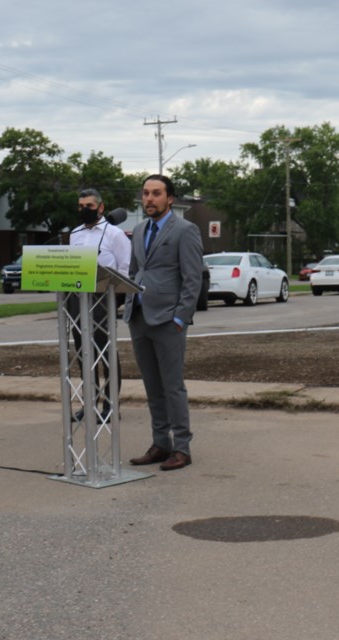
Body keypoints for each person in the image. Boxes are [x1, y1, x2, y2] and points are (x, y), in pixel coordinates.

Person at [124, 175, 203, 471]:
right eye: (145, 193)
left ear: (170, 198)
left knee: (172, 387)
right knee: (152, 386)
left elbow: (193, 278)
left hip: (169, 320)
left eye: (156, 193)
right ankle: (160, 444)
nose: (149, 199)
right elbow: (134, 272)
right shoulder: (139, 229)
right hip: (139, 318)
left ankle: (181, 447)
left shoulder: (185, 230)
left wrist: (181, 317)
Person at [67, 188, 132, 422]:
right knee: (85, 353)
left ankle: (111, 405)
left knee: (105, 354)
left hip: (104, 298)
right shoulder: (74, 233)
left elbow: (124, 269)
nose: (85, 210)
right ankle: (89, 404)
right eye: (81, 206)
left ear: (101, 207)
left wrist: (117, 299)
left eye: (90, 206)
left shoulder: (114, 235)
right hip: (77, 298)